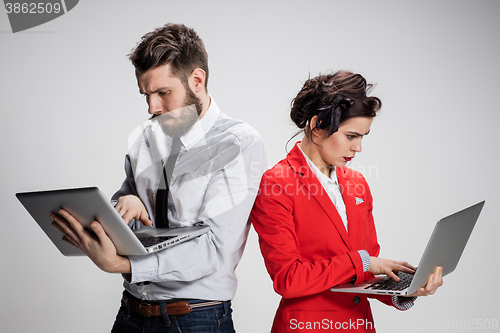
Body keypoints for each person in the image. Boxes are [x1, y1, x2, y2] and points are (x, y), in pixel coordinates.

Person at [50, 23, 266, 332]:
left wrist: (122, 265)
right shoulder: (148, 136)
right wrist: (124, 204)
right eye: (146, 95)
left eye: (163, 93)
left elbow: (213, 248)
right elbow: (130, 217)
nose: (153, 107)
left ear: (196, 80)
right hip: (132, 311)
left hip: (196, 318)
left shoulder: (239, 144)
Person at [250, 71, 443, 333]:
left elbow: (363, 276)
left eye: (363, 137)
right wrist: (363, 262)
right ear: (318, 126)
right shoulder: (277, 183)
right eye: (351, 136)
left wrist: (407, 289)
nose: (358, 148)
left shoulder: (357, 183)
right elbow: (288, 279)